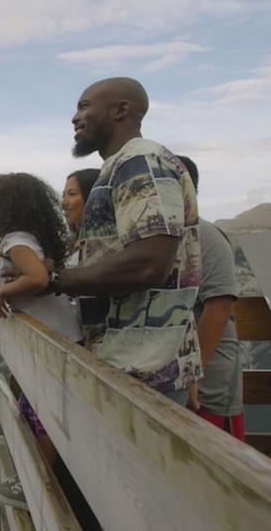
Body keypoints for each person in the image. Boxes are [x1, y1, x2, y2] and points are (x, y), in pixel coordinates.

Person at [46, 77, 202, 404]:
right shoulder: (119, 167)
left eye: (84, 106)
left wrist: (54, 280)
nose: (75, 117)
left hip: (144, 371)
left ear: (120, 110)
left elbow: (148, 264)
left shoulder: (140, 162)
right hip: (128, 365)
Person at [0, 172, 81, 510]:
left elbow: (37, 277)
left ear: (6, 208)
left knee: (41, 413)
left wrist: (4, 292)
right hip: (63, 338)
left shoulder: (15, 241)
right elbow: (46, 267)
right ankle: (33, 479)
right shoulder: (28, 240)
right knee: (33, 407)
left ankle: (37, 483)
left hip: (53, 342)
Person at [177, 155, 244, 440]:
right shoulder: (168, 238)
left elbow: (220, 306)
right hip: (180, 384)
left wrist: (193, 375)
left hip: (209, 388)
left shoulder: (206, 236)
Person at [61, 168, 100, 261]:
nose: (64, 203)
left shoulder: (106, 243)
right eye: (63, 196)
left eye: (72, 194)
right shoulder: (68, 242)